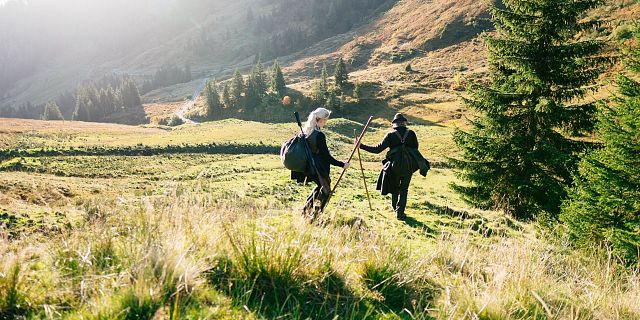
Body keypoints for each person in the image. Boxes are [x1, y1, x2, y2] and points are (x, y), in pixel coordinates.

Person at [359, 113, 427, 220]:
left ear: (394, 124)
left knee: (395, 189)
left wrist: (361, 146)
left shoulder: (390, 135)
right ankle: (400, 213)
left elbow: (377, 149)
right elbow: (415, 148)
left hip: (394, 167)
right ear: (404, 123)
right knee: (404, 189)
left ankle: (395, 208)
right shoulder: (411, 134)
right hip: (408, 167)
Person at [291, 107, 350, 219]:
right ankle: (315, 217)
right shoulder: (319, 135)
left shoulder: (306, 132)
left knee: (320, 187)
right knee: (326, 191)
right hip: (317, 167)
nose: (326, 122)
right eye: (325, 120)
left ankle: (305, 211)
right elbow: (326, 157)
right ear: (320, 119)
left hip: (308, 167)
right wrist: (342, 164)